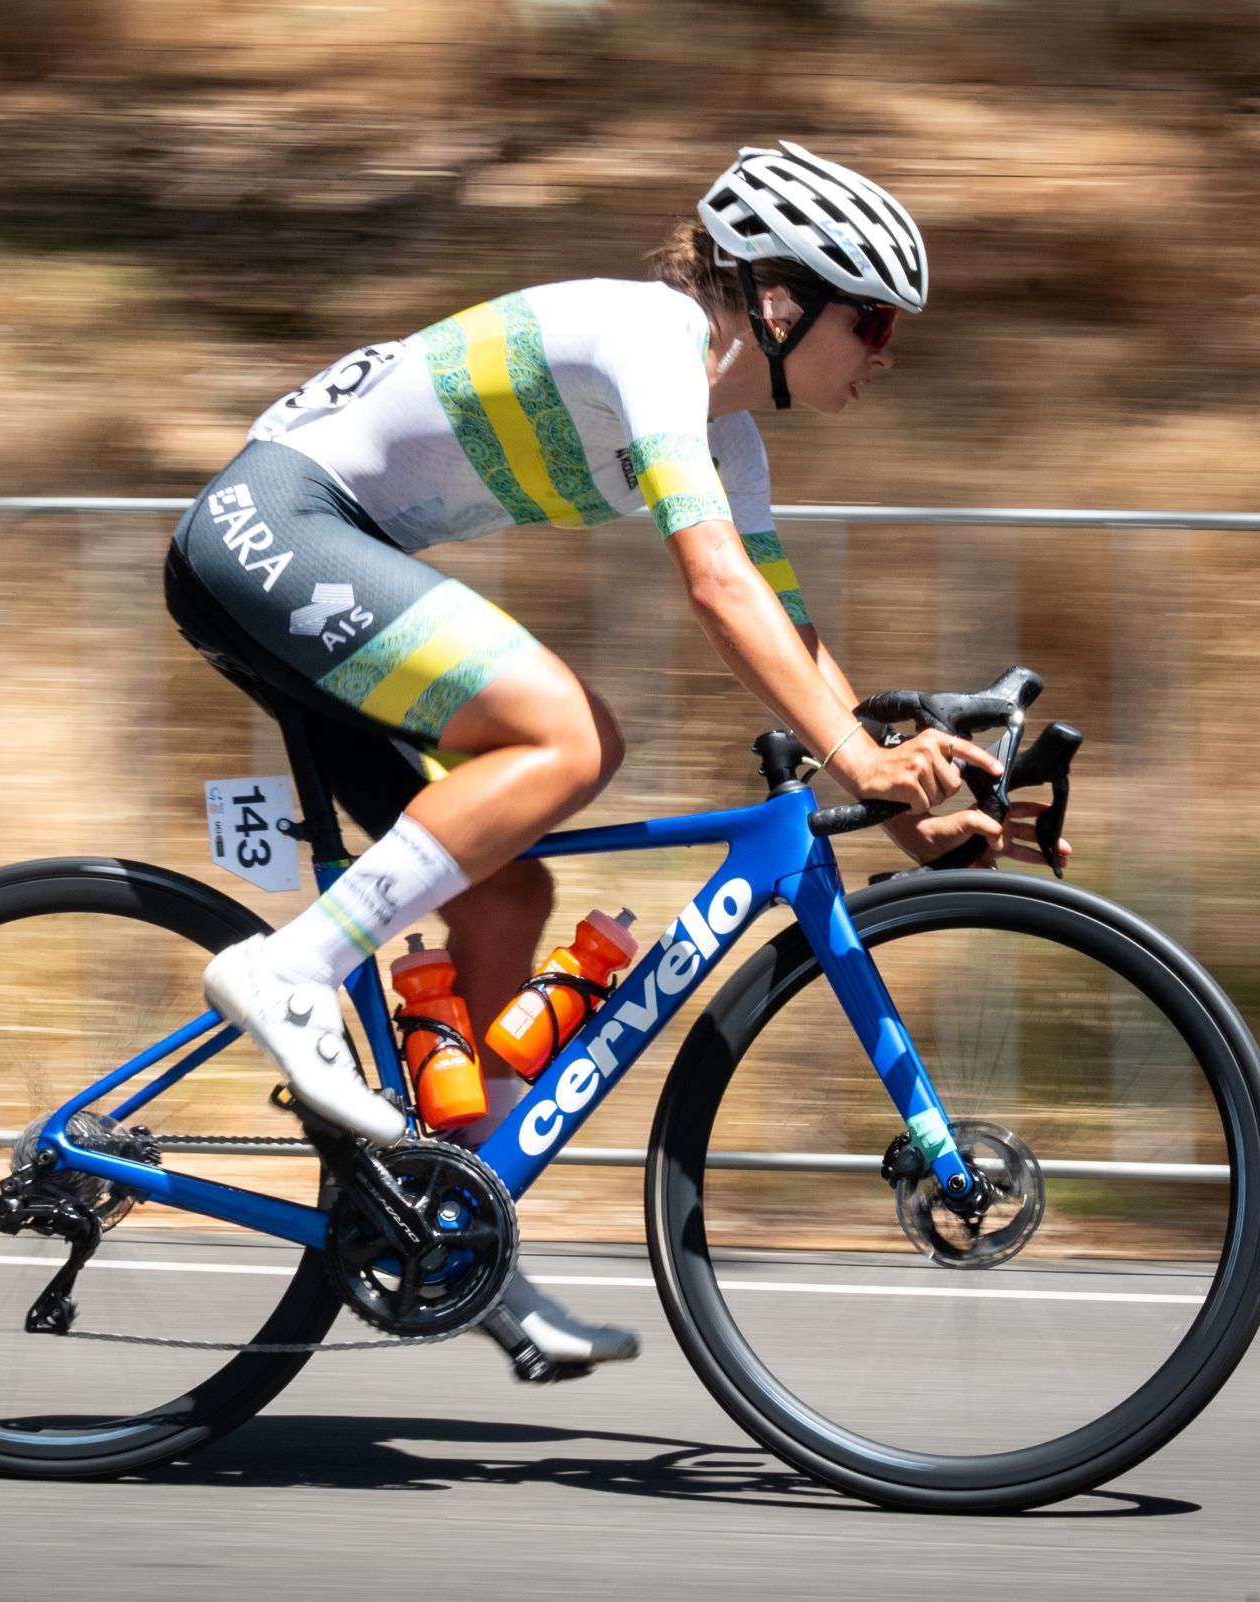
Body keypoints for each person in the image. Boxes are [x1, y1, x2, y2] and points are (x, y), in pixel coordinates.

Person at [165, 140, 1069, 1381]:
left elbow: (789, 629)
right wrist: (853, 752)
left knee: (506, 887)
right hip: (273, 525)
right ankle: (292, 971)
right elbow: (710, 585)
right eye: (870, 322)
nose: (887, 354)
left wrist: (899, 786)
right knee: (573, 735)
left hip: (319, 548)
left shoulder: (728, 437)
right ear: (781, 297)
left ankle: (448, 1238)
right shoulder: (653, 339)